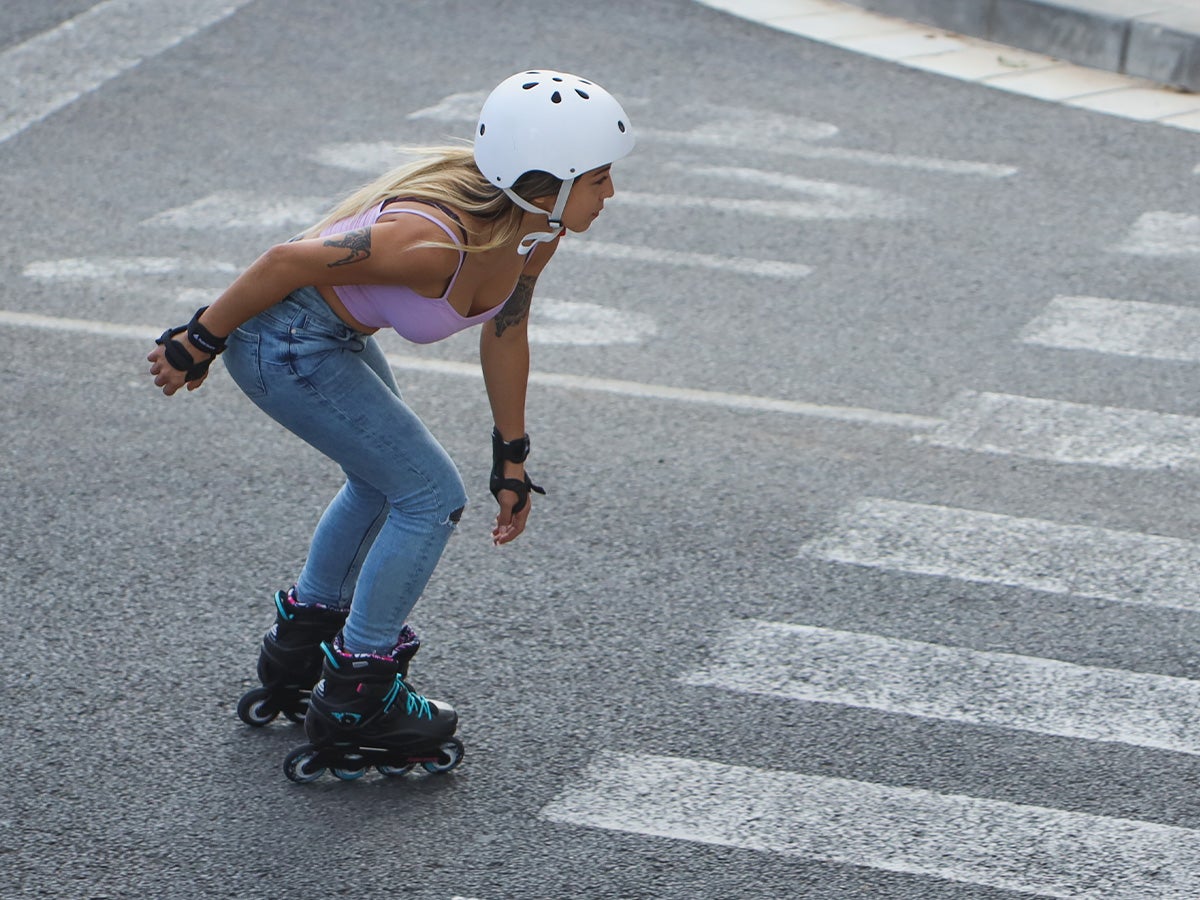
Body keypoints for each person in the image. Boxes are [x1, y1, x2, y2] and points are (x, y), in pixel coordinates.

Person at [146, 70, 635, 779]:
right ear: (548, 183)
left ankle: (303, 651)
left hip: (329, 338)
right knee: (429, 498)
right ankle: (359, 694)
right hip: (285, 343)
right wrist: (198, 341)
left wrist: (511, 456)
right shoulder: (428, 244)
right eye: (599, 178)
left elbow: (506, 331)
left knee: (385, 486)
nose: (611, 194)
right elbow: (285, 261)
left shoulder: (535, 234)